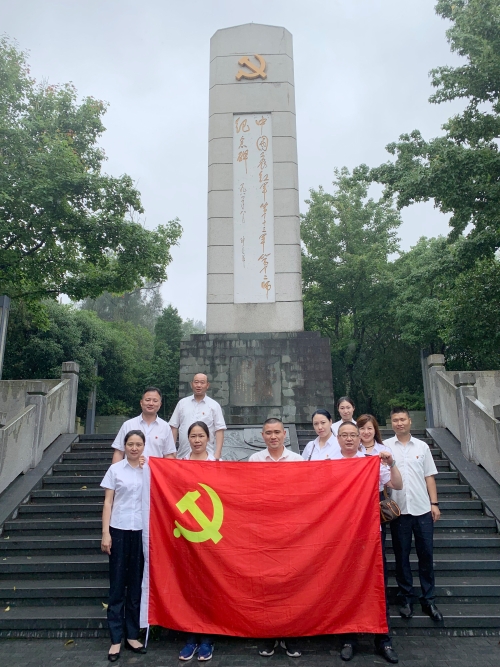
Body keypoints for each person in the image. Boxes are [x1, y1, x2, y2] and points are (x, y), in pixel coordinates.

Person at [334, 421, 402, 664]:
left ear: (359, 438)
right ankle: (349, 638)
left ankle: (383, 639)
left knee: (377, 581)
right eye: (344, 435)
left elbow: (396, 484)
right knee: (346, 583)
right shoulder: (329, 464)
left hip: (371, 530)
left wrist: (391, 463)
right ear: (338, 438)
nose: (349, 439)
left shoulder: (371, 462)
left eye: (353, 435)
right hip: (340, 533)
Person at [248, 418, 302, 658]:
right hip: (264, 531)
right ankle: (269, 634)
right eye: (268, 432)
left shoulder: (298, 461)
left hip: (291, 531)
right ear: (262, 435)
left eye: (277, 432)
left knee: (291, 583)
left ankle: (290, 634)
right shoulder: (254, 460)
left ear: (284, 435)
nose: (273, 436)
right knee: (267, 584)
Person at [385, 407, 443, 622]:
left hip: (422, 510)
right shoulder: (385, 447)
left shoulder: (422, 446)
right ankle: (406, 598)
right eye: (395, 420)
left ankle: (429, 599)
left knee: (426, 555)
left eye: (402, 419)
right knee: (401, 557)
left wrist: (434, 503)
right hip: (398, 512)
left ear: (409, 421)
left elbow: (429, 476)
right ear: (391, 423)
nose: (399, 423)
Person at [101, 430, 148, 662]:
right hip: (118, 530)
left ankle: (132, 635)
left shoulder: (149, 470)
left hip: (141, 531)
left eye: (138, 444)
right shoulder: (115, 469)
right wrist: (105, 533)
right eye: (130, 444)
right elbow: (108, 502)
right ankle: (116, 639)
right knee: (118, 586)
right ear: (125, 445)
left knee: (136, 586)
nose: (134, 448)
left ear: (144, 446)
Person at [178, 421, 217, 661]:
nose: (197, 440)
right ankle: (191, 636)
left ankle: (208, 637)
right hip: (187, 536)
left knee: (209, 586)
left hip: (212, 536)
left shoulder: (217, 465)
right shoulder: (179, 465)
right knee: (190, 586)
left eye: (201, 435)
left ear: (208, 438)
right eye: (193, 436)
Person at [111, 387, 176, 464]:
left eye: (155, 401)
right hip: (131, 470)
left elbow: (169, 455)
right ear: (141, 402)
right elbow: (119, 452)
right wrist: (115, 470)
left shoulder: (165, 427)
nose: (151, 403)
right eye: (147, 400)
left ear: (160, 404)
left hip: (154, 471)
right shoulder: (128, 425)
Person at [170, 373, 226, 460]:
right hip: (183, 454)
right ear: (191, 384)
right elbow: (174, 426)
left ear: (207, 385)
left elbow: (219, 430)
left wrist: (217, 454)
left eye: (202, 382)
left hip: (207, 457)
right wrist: (172, 450)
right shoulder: (182, 403)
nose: (199, 385)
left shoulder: (214, 405)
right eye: (196, 382)